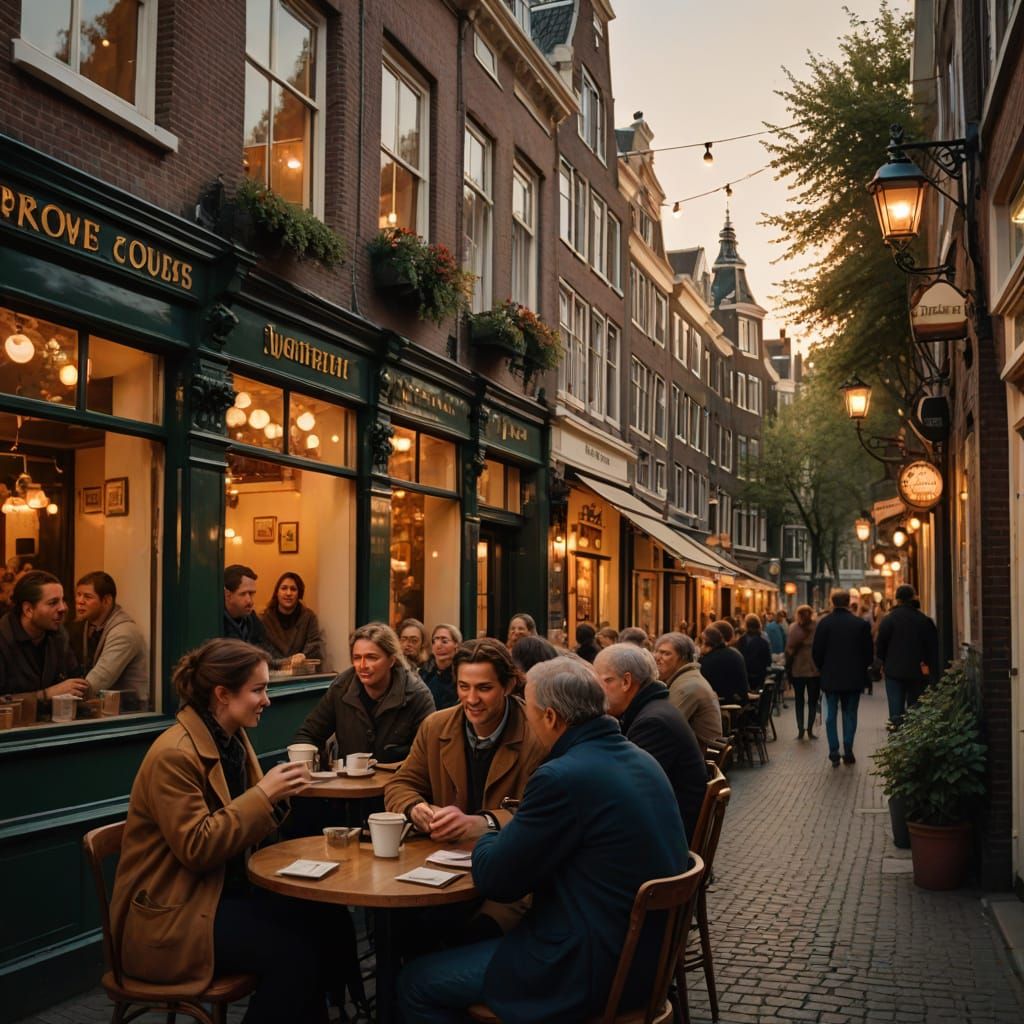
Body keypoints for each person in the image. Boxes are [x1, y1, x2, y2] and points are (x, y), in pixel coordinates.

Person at [397, 656, 686, 1022]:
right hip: (648, 961)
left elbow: (497, 879)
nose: (527, 721)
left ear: (550, 717)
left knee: (415, 982)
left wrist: (484, 829)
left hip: (588, 967)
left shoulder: (562, 777)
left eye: (529, 711)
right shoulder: (641, 758)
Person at [109, 638, 337, 1023]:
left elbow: (242, 822)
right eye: (259, 689)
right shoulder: (175, 755)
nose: (267, 700)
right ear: (222, 694)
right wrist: (265, 794)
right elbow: (197, 848)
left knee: (322, 921)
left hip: (217, 896)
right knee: (294, 954)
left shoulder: (231, 739)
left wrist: (280, 796)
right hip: (173, 916)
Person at [385, 638, 546, 936]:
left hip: (509, 877)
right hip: (440, 867)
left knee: (472, 935)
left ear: (508, 686)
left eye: (484, 688)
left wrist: (484, 823)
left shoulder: (535, 733)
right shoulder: (435, 726)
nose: (471, 699)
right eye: (463, 687)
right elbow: (400, 783)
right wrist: (416, 808)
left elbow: (543, 814)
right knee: (400, 926)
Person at [594, 643, 706, 843]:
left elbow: (627, 791)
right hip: (664, 826)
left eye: (602, 682)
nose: (596, 692)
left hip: (667, 837)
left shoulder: (652, 723)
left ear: (626, 681)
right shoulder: (651, 710)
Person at [292, 622, 435, 763]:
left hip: (397, 782)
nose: (362, 666)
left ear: (391, 661)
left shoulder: (417, 695)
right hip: (348, 782)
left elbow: (429, 755)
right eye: (357, 658)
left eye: (371, 657)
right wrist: (308, 766)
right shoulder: (341, 687)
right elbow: (308, 735)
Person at [0, 570, 87, 704]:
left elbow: (74, 680)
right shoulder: (4, 639)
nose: (63, 608)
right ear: (28, 610)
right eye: (53, 603)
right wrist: (46, 695)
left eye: (62, 600)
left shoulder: (59, 636)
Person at [67, 571, 148, 708]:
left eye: (87, 596)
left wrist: (55, 695)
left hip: (129, 711)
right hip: (103, 705)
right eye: (78, 595)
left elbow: (99, 680)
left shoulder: (125, 632)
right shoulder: (86, 624)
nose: (79, 601)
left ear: (106, 601)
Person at [812, 589, 873, 766]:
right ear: (848, 602)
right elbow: (868, 654)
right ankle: (848, 749)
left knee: (831, 715)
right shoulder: (860, 624)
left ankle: (833, 750)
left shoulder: (824, 624)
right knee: (850, 713)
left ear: (832, 602)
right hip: (853, 677)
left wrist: (823, 668)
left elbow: (817, 652)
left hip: (830, 677)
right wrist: (862, 668)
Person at [875, 584, 940, 725]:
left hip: (893, 671)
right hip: (917, 671)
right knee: (915, 709)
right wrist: (931, 671)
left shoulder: (889, 620)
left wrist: (883, 662)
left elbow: (880, 646)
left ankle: (896, 736)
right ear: (913, 597)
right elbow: (932, 647)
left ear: (897, 599)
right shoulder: (924, 620)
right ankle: (911, 738)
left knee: (895, 711)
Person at [654, 631, 723, 748]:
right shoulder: (686, 678)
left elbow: (665, 727)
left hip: (700, 756)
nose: (657, 658)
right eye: (656, 652)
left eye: (665, 654)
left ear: (683, 658)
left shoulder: (688, 686)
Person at [259, 572, 325, 668]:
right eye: (284, 588)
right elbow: (264, 651)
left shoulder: (309, 617)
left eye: (293, 589)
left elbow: (314, 645)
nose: (288, 593)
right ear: (276, 592)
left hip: (301, 673)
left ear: (299, 594)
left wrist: (302, 656)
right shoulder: (263, 619)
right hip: (273, 673)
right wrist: (287, 662)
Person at [785, 604, 821, 740]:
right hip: (813, 670)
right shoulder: (817, 627)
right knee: (812, 701)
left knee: (799, 700)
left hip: (798, 669)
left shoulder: (793, 628)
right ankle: (810, 730)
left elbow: (789, 648)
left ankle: (800, 729)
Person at [222, 564, 271, 652]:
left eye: (251, 594)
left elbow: (265, 653)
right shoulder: (216, 623)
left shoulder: (250, 617)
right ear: (227, 595)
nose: (250, 601)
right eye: (243, 594)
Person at [699, 624, 749, 705]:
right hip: (741, 703)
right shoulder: (734, 653)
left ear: (706, 644)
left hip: (725, 706)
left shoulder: (708, 660)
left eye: (701, 643)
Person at [420, 623, 463, 711]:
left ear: (456, 645)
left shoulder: (462, 675)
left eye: (444, 641)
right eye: (435, 641)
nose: (438, 645)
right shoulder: (424, 672)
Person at [736, 614, 772, 690]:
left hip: (744, 675)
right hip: (759, 676)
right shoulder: (763, 642)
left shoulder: (740, 641)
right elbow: (768, 661)